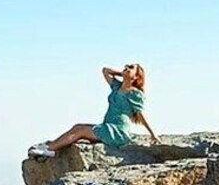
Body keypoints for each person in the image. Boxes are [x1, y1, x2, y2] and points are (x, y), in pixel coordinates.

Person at [28, 64, 160, 158]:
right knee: (77, 127)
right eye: (126, 66)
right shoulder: (116, 87)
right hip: (108, 125)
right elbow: (105, 70)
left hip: (117, 130)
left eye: (131, 68)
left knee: (80, 131)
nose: (126, 68)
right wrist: (123, 74)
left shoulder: (135, 94)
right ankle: (51, 145)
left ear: (137, 76)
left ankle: (50, 149)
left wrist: (152, 133)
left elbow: (140, 114)